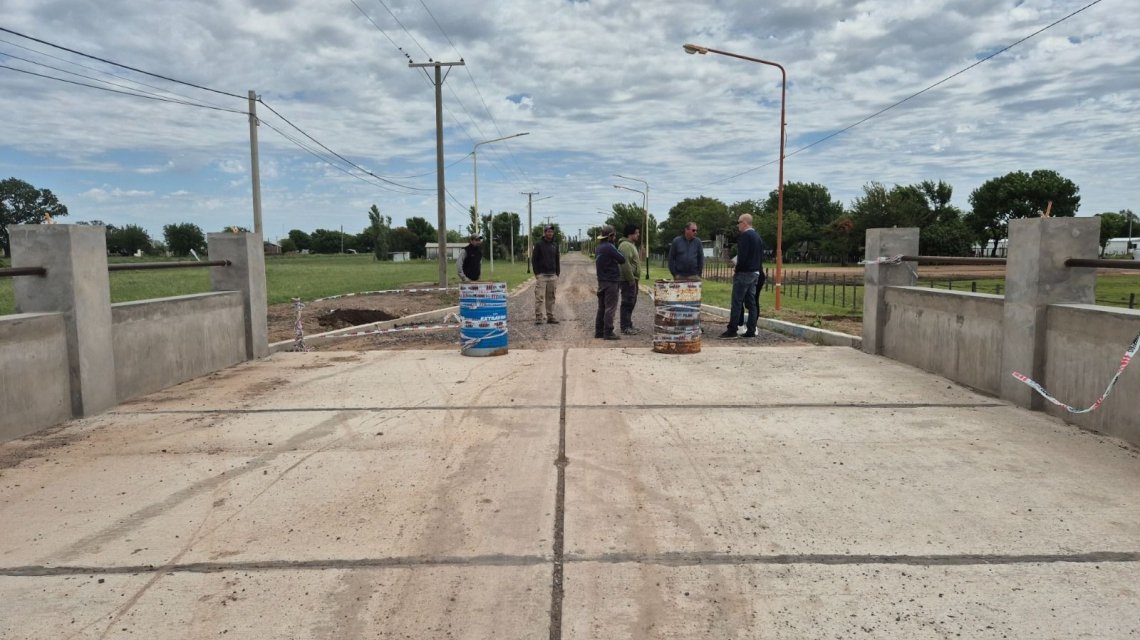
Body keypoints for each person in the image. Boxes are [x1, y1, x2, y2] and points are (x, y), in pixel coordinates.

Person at [720, 213, 764, 339]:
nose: (737, 225)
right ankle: (751, 329)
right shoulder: (757, 237)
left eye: (738, 222)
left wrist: (737, 268)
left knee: (737, 301)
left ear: (744, 223)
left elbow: (742, 256)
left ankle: (732, 329)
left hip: (744, 273)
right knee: (751, 302)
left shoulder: (745, 236)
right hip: (755, 272)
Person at [593, 224, 626, 340]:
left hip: (601, 280)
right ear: (611, 236)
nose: (615, 237)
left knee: (601, 307)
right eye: (614, 235)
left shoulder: (599, 247)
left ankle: (599, 331)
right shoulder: (609, 247)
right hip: (611, 281)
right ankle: (608, 332)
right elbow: (622, 259)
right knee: (610, 307)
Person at [531, 225, 561, 324]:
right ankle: (539, 318)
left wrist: (557, 273)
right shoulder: (539, 244)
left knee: (551, 297)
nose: (550, 233)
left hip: (552, 275)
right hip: (542, 275)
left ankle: (550, 317)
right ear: (544, 233)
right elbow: (534, 259)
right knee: (539, 297)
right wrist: (536, 273)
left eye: (551, 232)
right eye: (548, 231)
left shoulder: (555, 245)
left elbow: (557, 259)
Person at [617, 223, 642, 334]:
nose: (638, 235)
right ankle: (625, 327)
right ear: (630, 234)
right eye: (637, 233)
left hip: (633, 279)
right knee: (627, 302)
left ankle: (629, 324)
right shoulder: (625, 246)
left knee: (631, 302)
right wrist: (631, 279)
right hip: (628, 280)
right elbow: (625, 264)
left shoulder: (631, 245)